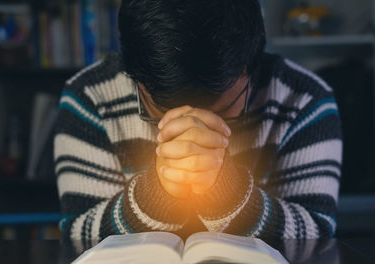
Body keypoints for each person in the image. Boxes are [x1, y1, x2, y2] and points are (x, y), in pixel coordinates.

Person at [54, 0, 342, 245]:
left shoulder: (304, 99)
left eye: (223, 110)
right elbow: (79, 238)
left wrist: (228, 192)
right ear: (134, 74)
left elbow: (316, 240)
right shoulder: (90, 96)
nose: (193, 132)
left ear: (251, 64)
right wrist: (157, 194)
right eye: (160, 111)